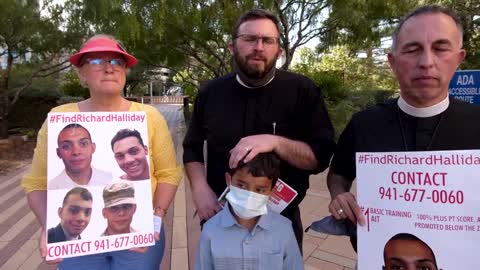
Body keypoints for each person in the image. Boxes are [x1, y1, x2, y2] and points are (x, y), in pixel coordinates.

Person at [21, 34, 182, 270]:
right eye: (97, 62)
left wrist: (156, 218)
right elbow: (36, 183)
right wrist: (47, 226)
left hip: (138, 235)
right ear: (81, 74)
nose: (109, 68)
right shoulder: (59, 118)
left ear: (125, 71)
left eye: (117, 62)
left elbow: (168, 174)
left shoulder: (150, 117)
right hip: (77, 242)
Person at [327, 5, 480, 252]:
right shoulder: (365, 123)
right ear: (393, 62)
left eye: (440, 48)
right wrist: (339, 195)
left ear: (458, 58)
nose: (427, 62)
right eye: (412, 49)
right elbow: (338, 174)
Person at [183, 8, 335, 250]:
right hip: (220, 217)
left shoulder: (302, 91)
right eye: (250, 39)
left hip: (281, 223)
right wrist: (200, 190)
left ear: (279, 50)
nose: (259, 47)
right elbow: (191, 148)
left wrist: (275, 142)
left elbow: (319, 157)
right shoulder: (210, 93)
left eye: (268, 40)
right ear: (232, 47)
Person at [194, 153, 304, 270]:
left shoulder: (284, 229)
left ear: (272, 190)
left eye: (260, 189)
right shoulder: (210, 230)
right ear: (228, 180)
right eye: (241, 186)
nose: (250, 196)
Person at [49, 123, 112, 189]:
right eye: (66, 146)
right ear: (58, 153)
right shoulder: (51, 187)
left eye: (83, 144)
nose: (76, 152)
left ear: (93, 148)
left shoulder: (111, 180)